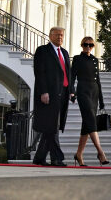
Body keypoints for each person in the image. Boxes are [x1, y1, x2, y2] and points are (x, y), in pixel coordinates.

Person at [32, 26, 74, 166]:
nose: (60, 37)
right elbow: (40, 72)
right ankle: (57, 158)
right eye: (57, 35)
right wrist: (43, 91)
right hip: (50, 94)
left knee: (51, 127)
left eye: (62, 35)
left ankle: (39, 158)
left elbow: (68, 73)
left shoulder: (65, 53)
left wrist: (71, 91)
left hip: (63, 93)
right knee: (52, 126)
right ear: (50, 36)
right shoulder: (43, 51)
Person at [70, 37, 110, 166]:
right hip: (83, 92)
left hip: (94, 93)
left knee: (87, 125)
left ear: (93, 46)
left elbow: (98, 80)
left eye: (90, 45)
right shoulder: (77, 58)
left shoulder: (95, 60)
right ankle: (100, 152)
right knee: (91, 121)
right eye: (86, 45)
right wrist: (72, 91)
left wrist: (102, 100)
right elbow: (72, 76)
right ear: (82, 45)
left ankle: (79, 154)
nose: (88, 47)